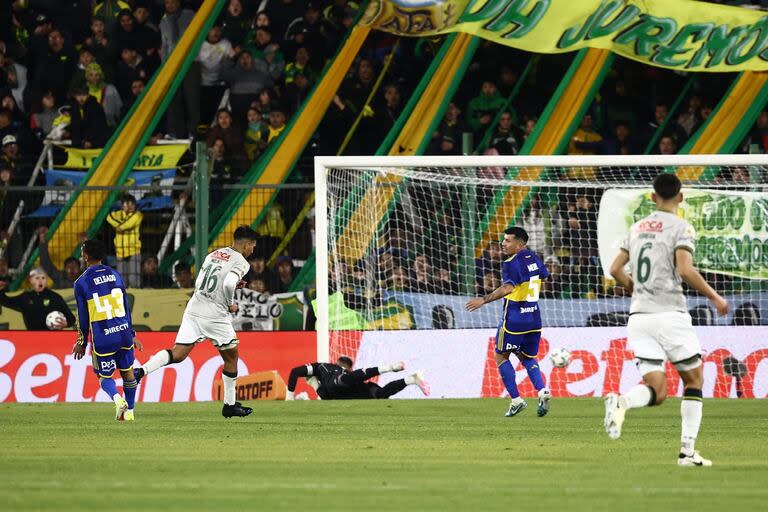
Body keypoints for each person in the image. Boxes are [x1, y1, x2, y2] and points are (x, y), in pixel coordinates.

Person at [606, 173, 729, 467]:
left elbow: (614, 269)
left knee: (657, 392)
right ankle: (687, 453)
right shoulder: (681, 227)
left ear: (652, 197)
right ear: (681, 197)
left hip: (639, 317)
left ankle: (622, 402)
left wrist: (633, 287)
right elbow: (685, 270)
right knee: (694, 379)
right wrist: (715, 297)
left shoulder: (636, 228)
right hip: (670, 314)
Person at [134, 226, 259, 418]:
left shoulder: (215, 254)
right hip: (215, 315)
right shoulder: (242, 262)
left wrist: (232, 284)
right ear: (247, 244)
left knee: (178, 354)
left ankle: (141, 371)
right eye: (253, 246)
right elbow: (226, 284)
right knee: (231, 357)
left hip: (194, 308)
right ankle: (230, 405)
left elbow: (204, 280)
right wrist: (230, 304)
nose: (253, 250)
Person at [465, 226, 551, 417]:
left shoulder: (511, 262)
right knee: (527, 357)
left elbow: (507, 288)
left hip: (514, 319)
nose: (503, 244)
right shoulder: (534, 257)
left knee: (501, 356)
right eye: (504, 240)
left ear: (519, 245)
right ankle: (542, 390)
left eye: (508, 241)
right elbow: (545, 276)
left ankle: (516, 400)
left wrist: (483, 300)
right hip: (534, 317)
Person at [71, 239, 142, 421]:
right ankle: (131, 413)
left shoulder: (81, 282)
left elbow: (83, 317)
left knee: (104, 377)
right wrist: (132, 334)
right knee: (127, 373)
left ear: (86, 256)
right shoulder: (116, 275)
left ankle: (118, 401)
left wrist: (82, 342)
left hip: (103, 335)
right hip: (124, 332)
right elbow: (126, 307)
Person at [285, 356, 430, 400]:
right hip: (348, 391)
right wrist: (289, 397)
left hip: (355, 388)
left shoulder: (328, 371)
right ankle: (411, 379)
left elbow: (296, 372)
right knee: (381, 394)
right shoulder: (321, 369)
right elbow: (295, 372)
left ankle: (390, 368)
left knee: (341, 382)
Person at [0, 267, 76, 330]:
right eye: (37, 278)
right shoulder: (25, 297)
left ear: (46, 280)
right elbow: (6, 301)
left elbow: (71, 318)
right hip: (33, 339)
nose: (40, 281)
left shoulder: (55, 297)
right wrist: (1, 290)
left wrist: (66, 323)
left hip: (54, 338)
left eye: (43, 278)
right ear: (30, 280)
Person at [106, 194, 142, 288]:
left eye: (132, 203)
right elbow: (109, 217)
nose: (130, 206)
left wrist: (119, 227)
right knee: (122, 281)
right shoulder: (118, 214)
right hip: (120, 251)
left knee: (134, 280)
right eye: (127, 203)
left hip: (134, 251)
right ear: (122, 205)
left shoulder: (138, 215)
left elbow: (128, 224)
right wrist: (119, 226)